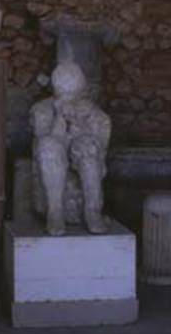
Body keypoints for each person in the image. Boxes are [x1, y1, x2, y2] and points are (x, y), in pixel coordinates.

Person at [30, 59, 111, 236]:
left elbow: (102, 138)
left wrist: (80, 124)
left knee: (88, 147)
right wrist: (59, 117)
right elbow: (44, 138)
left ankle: (92, 210)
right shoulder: (41, 109)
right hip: (56, 150)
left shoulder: (91, 110)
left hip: (80, 152)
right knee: (48, 147)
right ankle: (55, 211)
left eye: (73, 95)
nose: (69, 100)